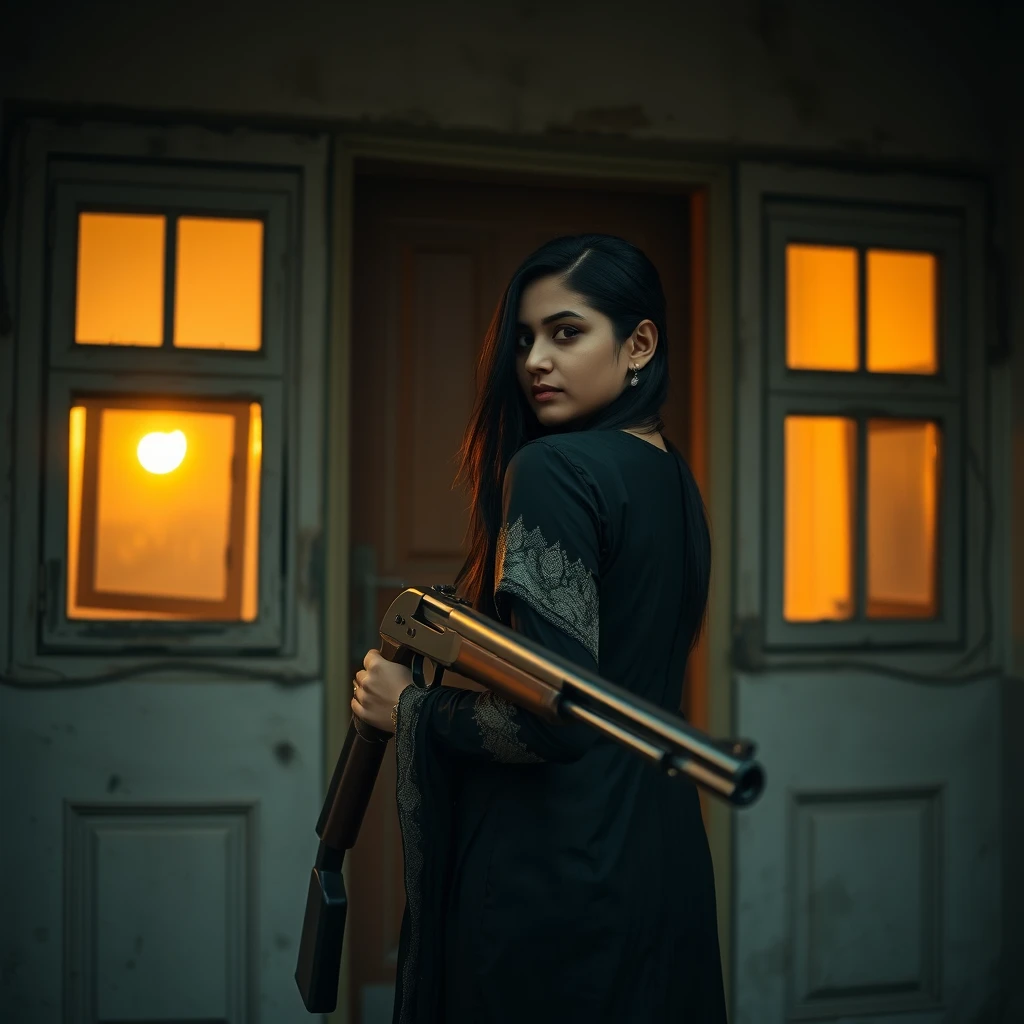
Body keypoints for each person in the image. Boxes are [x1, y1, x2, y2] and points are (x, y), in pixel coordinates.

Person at [351, 234, 727, 1024]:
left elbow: (550, 722)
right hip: (661, 861)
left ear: (639, 344)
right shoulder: (673, 479)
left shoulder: (557, 470)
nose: (533, 361)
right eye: (524, 339)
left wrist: (409, 709)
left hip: (556, 873)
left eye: (565, 332)